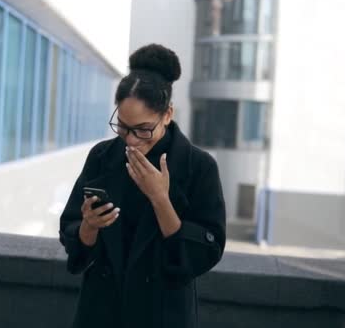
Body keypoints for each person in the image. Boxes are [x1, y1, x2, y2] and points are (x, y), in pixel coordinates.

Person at [59, 43, 226, 328]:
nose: (131, 139)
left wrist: (160, 198)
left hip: (162, 315)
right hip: (101, 313)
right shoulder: (102, 157)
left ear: (168, 114)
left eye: (142, 129)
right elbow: (72, 236)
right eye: (122, 127)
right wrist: (89, 225)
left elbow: (205, 254)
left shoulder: (199, 167)